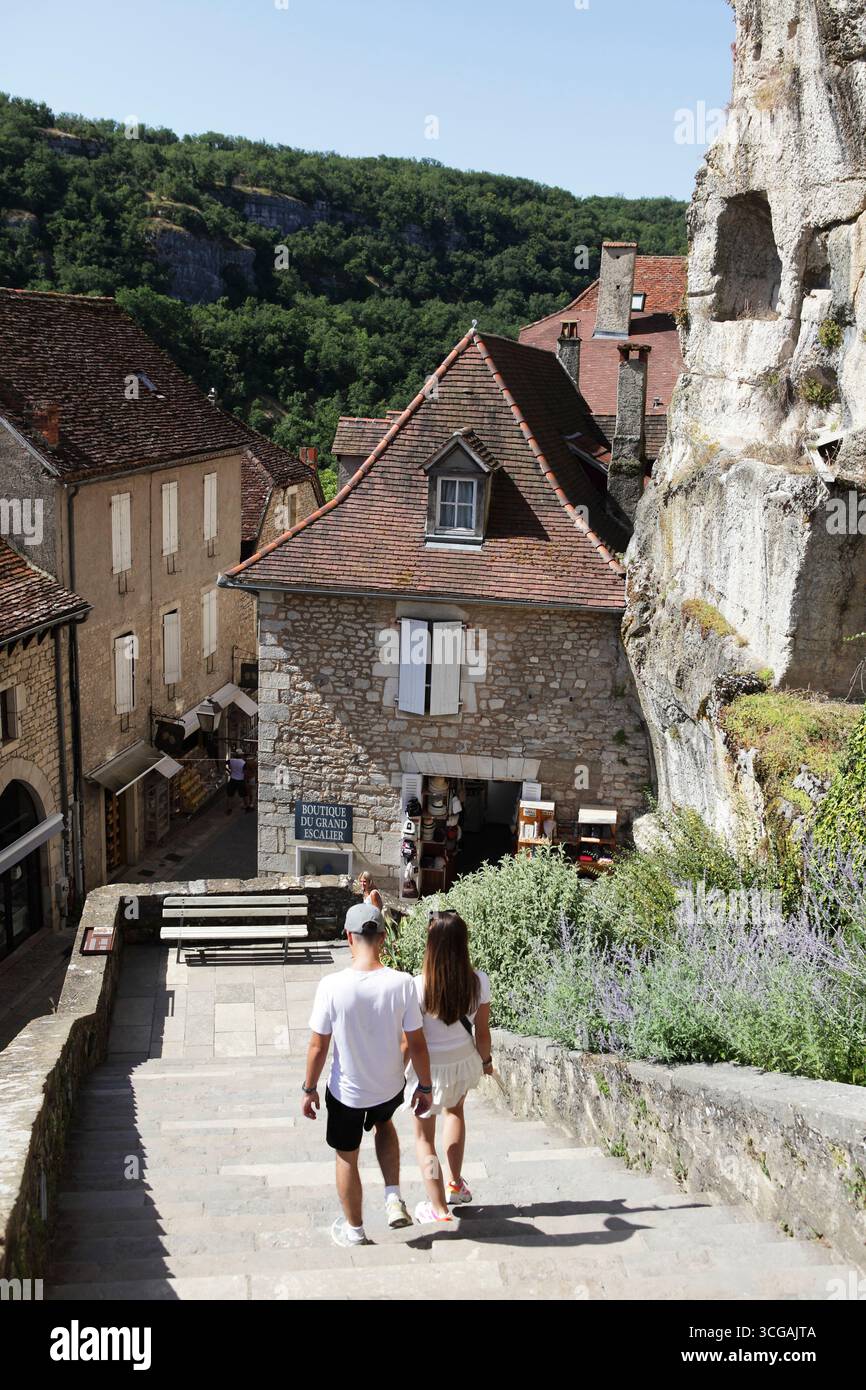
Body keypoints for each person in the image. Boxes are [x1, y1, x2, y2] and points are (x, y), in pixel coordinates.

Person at [302, 902, 434, 1247]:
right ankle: (393, 1197)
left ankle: (355, 1230)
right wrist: (425, 1085)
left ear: (349, 937)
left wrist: (309, 1088)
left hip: (347, 1092)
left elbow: (318, 1047)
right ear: (382, 938)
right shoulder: (402, 983)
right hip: (389, 1086)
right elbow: (417, 1044)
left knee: (347, 1154)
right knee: (384, 1125)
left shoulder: (331, 986)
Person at [404, 910, 493, 1225]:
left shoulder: (416, 987)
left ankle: (437, 1206)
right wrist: (486, 1062)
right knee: (455, 1113)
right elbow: (482, 1033)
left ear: (431, 945)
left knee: (423, 1138)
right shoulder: (478, 981)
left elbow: (408, 1043)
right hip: (462, 1062)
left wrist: (394, 1075)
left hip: (428, 1070)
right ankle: (456, 1184)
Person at [225, 748, 246, 814]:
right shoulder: (243, 762)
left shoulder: (231, 760)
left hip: (233, 779)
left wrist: (229, 771)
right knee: (243, 794)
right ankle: (245, 805)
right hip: (240, 780)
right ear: (241, 755)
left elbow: (224, 764)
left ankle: (229, 808)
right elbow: (245, 772)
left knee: (230, 795)